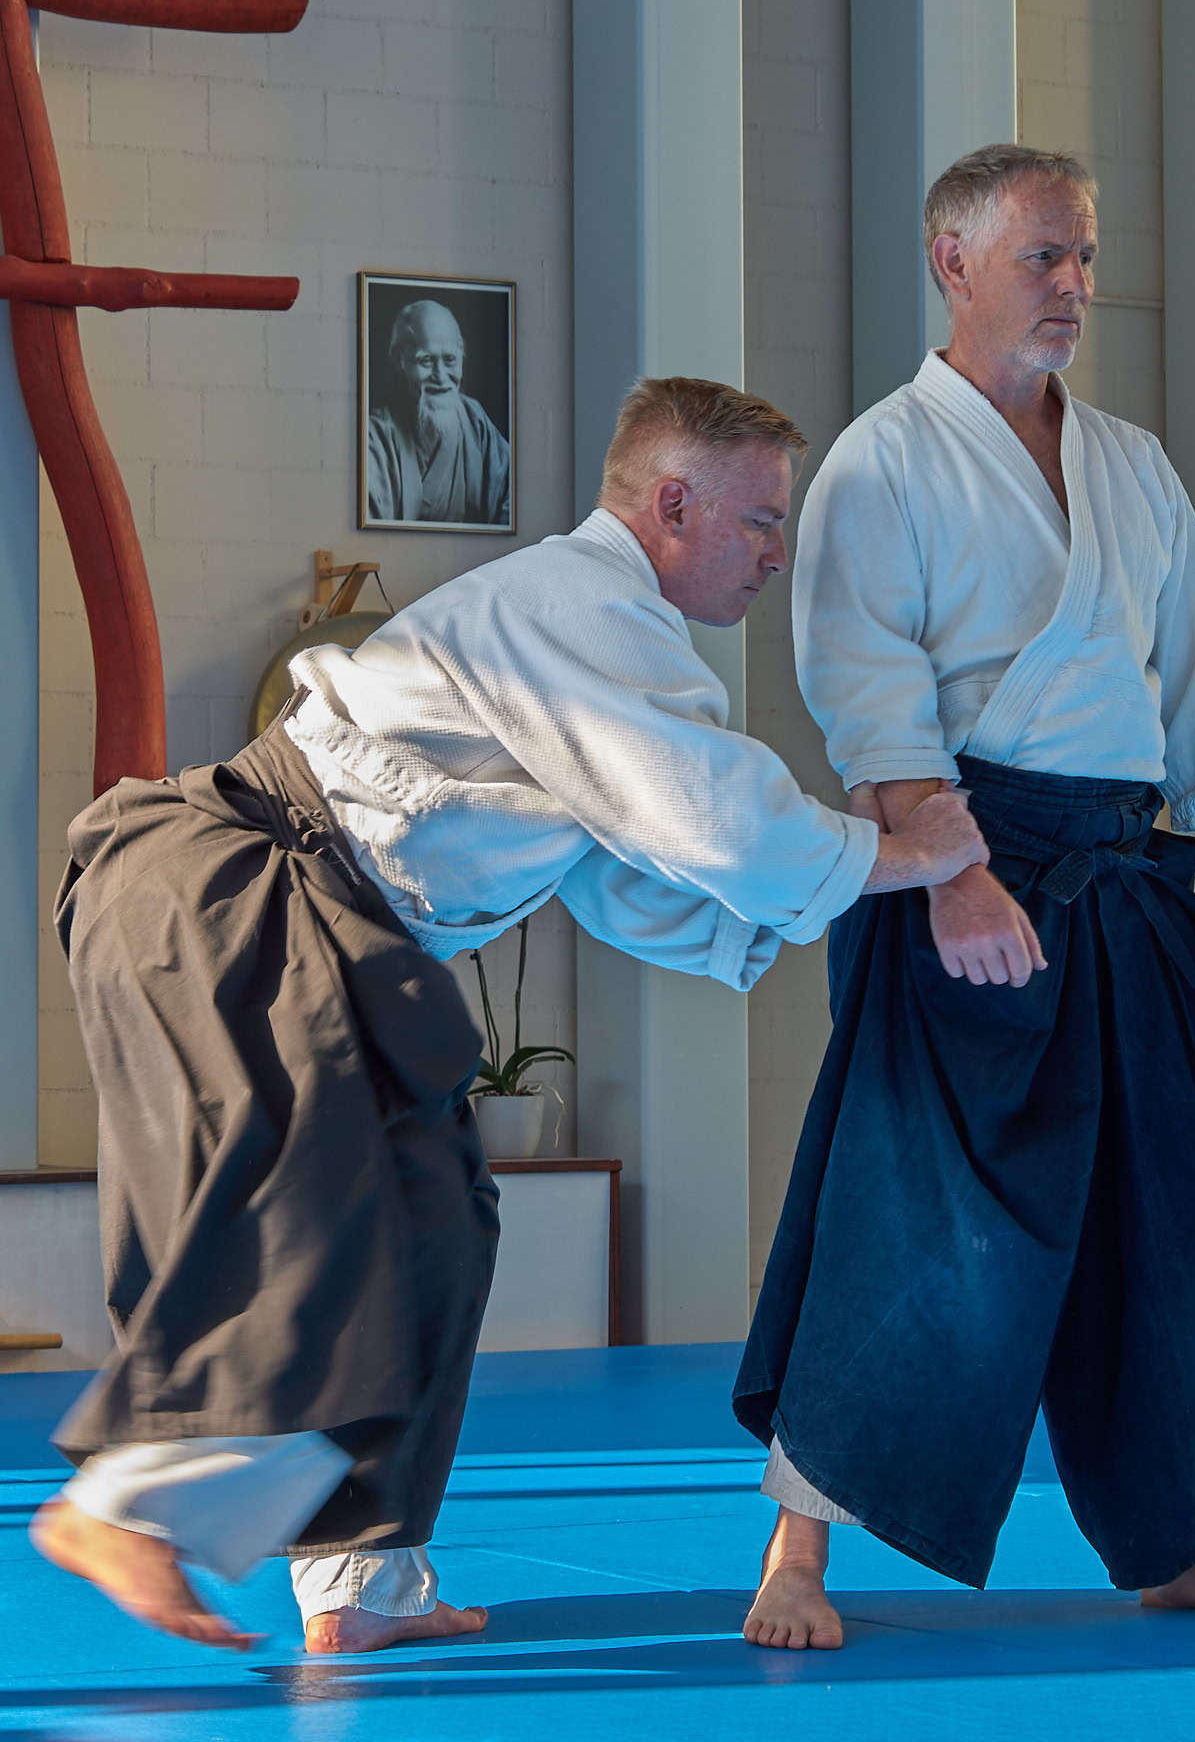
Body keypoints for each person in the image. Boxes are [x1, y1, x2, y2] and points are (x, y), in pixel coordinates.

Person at [33, 378, 988, 1656]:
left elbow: (624, 871)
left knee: (437, 1215)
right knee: (316, 1205)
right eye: (761, 520)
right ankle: (121, 1505)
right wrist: (907, 855)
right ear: (671, 504)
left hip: (326, 928)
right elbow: (710, 813)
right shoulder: (584, 605)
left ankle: (361, 1583)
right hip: (239, 884)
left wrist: (816, 903)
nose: (777, 553)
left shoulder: (601, 649)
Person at [732, 143, 1195, 1655]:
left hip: (1124, 877)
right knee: (919, 1213)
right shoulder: (883, 460)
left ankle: (1174, 1536)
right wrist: (957, 879)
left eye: (1084, 256)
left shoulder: (1135, 466)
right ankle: (797, 1546)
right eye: (1041, 257)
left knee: (1184, 1195)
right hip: (964, 867)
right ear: (953, 262)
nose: (1074, 285)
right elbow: (867, 698)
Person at [365, 298, 511, 527]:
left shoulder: (475, 420)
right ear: (399, 359)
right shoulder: (375, 437)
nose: (441, 376)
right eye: (426, 360)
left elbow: (512, 499)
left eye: (450, 360)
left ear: (462, 355)